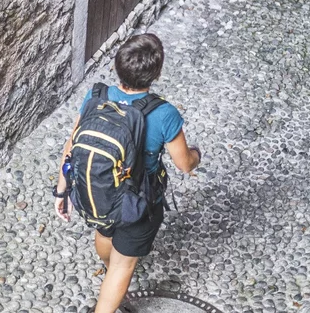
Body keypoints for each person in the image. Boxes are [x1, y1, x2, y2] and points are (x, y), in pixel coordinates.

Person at [53, 33, 202, 313]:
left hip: (98, 191)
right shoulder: (164, 113)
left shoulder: (96, 96)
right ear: (156, 73)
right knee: (123, 266)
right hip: (138, 199)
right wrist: (196, 154)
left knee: (105, 232)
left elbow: (71, 145)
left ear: (117, 66)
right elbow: (184, 164)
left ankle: (108, 267)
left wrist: (62, 191)